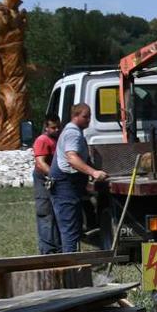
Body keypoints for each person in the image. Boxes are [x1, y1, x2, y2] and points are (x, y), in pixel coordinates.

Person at [50, 103, 107, 253]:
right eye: (85, 116)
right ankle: (71, 267)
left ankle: (72, 262)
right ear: (75, 116)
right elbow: (72, 159)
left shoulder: (76, 132)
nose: (89, 120)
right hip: (64, 185)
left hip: (69, 185)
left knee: (73, 227)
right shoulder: (72, 133)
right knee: (70, 230)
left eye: (89, 116)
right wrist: (93, 173)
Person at [31, 116, 62, 254]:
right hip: (43, 179)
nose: (56, 130)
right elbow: (40, 162)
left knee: (56, 215)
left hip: (54, 180)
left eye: (58, 127)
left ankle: (58, 248)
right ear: (46, 127)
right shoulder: (42, 140)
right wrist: (54, 175)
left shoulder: (57, 139)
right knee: (46, 214)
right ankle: (47, 251)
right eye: (53, 128)